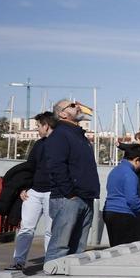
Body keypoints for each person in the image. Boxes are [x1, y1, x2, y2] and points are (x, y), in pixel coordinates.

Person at [41, 99, 99, 261]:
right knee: (59, 247)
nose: (78, 106)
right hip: (68, 198)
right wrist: (69, 193)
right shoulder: (59, 135)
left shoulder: (78, 135)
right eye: (72, 105)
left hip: (85, 196)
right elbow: (56, 166)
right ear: (62, 113)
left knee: (78, 250)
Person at [5, 111, 57, 269]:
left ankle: (50, 263)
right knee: (26, 228)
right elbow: (30, 167)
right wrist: (24, 187)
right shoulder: (38, 144)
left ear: (46, 126)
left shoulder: (60, 144)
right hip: (34, 192)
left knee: (50, 231)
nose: (37, 130)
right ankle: (18, 262)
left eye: (38, 126)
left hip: (53, 193)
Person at [103, 144, 140, 245]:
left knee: (115, 248)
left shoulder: (115, 171)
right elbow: (132, 199)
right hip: (124, 214)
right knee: (126, 250)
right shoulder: (130, 174)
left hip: (109, 211)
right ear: (137, 160)